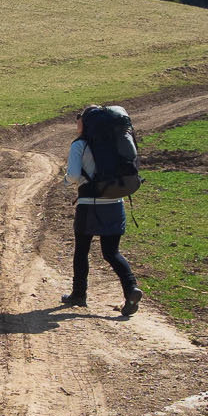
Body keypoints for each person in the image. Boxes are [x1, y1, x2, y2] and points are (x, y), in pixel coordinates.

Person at [61, 107, 144, 316]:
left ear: (87, 123)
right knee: (112, 252)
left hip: (89, 204)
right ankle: (131, 289)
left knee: (82, 250)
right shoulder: (114, 142)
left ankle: (79, 294)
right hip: (116, 202)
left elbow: (72, 174)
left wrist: (66, 181)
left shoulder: (80, 145)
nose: (77, 124)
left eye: (79, 120)